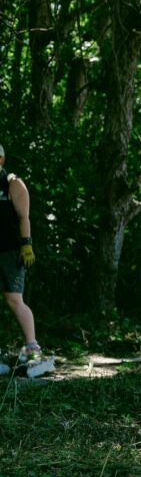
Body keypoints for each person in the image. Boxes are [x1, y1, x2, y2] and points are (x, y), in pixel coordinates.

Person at [0, 143, 50, 375]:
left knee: (14, 300)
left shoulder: (12, 183)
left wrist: (26, 245)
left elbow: (24, 216)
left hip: (10, 251)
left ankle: (33, 349)